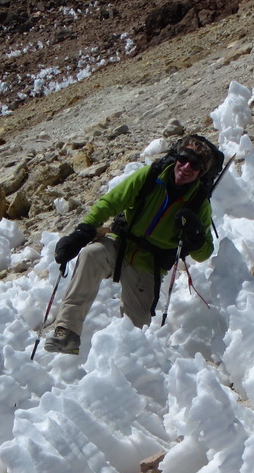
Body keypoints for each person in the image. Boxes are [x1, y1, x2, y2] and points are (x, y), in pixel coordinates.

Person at [45, 134, 219, 354]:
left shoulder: (198, 203)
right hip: (120, 244)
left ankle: (127, 367)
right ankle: (67, 332)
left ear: (201, 172)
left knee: (136, 335)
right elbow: (112, 202)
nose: (186, 167)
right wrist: (82, 232)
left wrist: (195, 236)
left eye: (195, 165)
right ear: (176, 156)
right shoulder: (152, 176)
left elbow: (205, 253)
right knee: (91, 254)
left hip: (148, 265)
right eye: (184, 158)